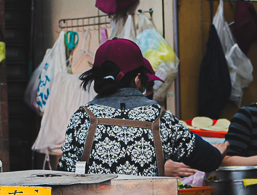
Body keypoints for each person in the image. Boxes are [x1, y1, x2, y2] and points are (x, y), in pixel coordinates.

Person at [59, 38, 223, 177]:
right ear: (138, 80)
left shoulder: (82, 118)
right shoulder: (159, 118)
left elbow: (65, 173)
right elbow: (211, 160)